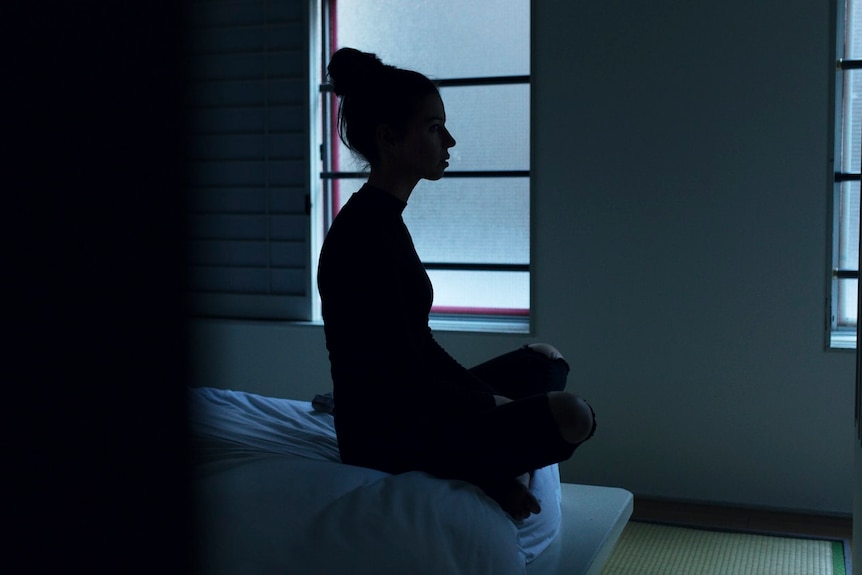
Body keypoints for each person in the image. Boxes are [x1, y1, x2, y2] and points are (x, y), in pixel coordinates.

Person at [317, 47, 596, 520]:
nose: (449, 140)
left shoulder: (384, 219)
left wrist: (485, 397)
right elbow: (402, 377)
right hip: (385, 434)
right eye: (433, 127)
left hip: (416, 406)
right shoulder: (362, 237)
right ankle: (487, 472)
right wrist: (489, 402)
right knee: (573, 416)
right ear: (389, 139)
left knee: (544, 360)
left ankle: (490, 467)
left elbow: (421, 346)